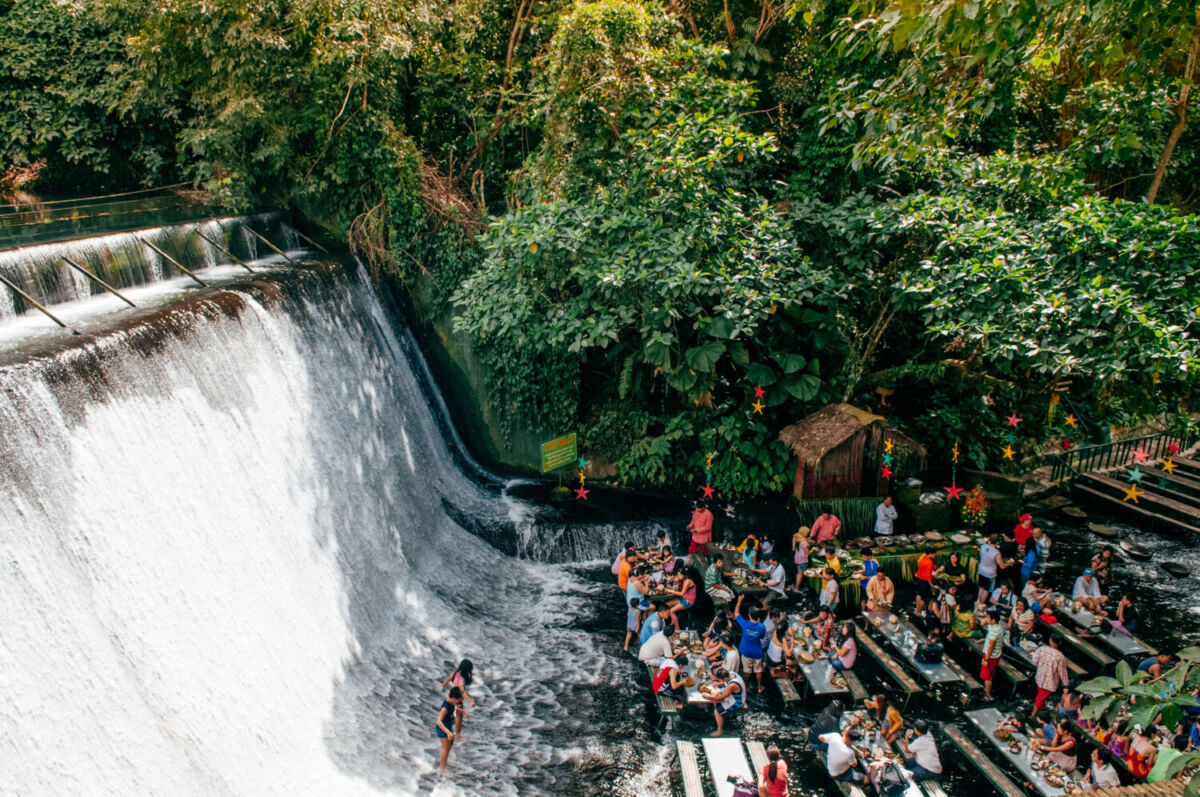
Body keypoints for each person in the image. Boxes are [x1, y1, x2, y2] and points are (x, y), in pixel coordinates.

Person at [735, 594, 768, 694]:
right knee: (758, 670)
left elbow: (736, 613)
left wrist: (739, 600)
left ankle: (745, 685)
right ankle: (759, 687)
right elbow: (762, 637)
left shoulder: (745, 624)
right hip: (757, 651)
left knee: (746, 670)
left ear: (749, 615)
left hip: (746, 651)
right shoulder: (761, 627)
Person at [439, 659, 477, 738]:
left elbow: (448, 679)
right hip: (458, 698)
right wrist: (471, 701)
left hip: (451, 695)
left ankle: (448, 727)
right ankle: (458, 734)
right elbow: (462, 692)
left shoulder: (454, 673)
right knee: (459, 716)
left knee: (451, 712)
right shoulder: (462, 679)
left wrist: (442, 685)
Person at [705, 666, 746, 737]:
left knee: (717, 710)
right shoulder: (730, 673)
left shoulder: (732, 685)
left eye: (721, 680)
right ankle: (720, 716)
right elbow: (725, 683)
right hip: (731, 694)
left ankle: (719, 730)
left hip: (737, 700)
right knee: (716, 694)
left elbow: (723, 697)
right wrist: (718, 684)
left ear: (725, 678)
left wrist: (708, 697)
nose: (721, 681)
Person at [1032, 635, 1070, 709]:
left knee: (1040, 696)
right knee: (1040, 698)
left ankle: (1037, 710)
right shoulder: (1060, 657)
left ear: (1050, 640)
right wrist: (1066, 684)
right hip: (1050, 681)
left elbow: (1034, 661)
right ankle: (1034, 713)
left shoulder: (1042, 649)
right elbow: (1062, 672)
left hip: (1040, 676)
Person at [436, 687, 466, 773]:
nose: (459, 702)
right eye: (458, 700)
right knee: (446, 747)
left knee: (450, 743)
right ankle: (442, 769)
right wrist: (448, 732)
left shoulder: (451, 703)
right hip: (442, 728)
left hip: (448, 726)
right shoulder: (445, 708)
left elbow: (454, 709)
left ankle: (444, 761)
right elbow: (438, 722)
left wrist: (463, 712)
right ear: (453, 698)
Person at [980, 609, 1004, 700]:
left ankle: (987, 695)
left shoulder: (994, 632)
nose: (986, 619)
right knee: (991, 672)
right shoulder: (999, 627)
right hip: (996, 655)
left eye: (988, 618)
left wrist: (986, 659)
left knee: (987, 677)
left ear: (993, 620)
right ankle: (988, 690)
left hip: (990, 656)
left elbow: (991, 646)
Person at [977, 535, 1006, 600]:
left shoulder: (982, 546)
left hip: (981, 571)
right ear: (997, 542)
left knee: (981, 587)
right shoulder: (997, 553)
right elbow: (1002, 566)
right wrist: (1010, 563)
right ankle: (981, 604)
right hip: (990, 574)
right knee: (986, 589)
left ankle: (978, 602)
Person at [914, 546, 936, 613]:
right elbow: (929, 577)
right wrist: (932, 586)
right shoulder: (929, 562)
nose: (935, 555)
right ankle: (919, 612)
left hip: (918, 578)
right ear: (931, 554)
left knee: (919, 594)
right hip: (924, 581)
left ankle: (917, 610)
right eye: (934, 554)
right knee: (924, 598)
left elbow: (919, 563)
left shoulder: (923, 556)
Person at [791, 526, 811, 593]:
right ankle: (797, 588)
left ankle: (797, 587)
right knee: (801, 574)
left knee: (799, 573)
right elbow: (807, 553)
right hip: (803, 560)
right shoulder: (804, 543)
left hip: (798, 559)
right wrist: (813, 549)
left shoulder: (797, 539)